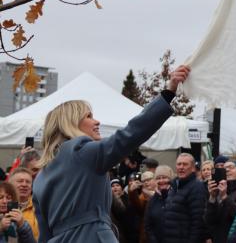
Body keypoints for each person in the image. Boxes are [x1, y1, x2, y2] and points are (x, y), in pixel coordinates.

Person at [31, 65, 190, 243]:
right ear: (71, 123)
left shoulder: (40, 177)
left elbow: (44, 235)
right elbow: (130, 134)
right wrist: (168, 93)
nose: (97, 121)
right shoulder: (81, 152)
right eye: (89, 116)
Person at [162, 153, 206, 243]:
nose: (181, 167)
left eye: (185, 164)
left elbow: (197, 222)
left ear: (193, 168)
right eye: (179, 164)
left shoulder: (197, 187)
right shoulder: (174, 186)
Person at [205, 160, 236, 243]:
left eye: (231, 167)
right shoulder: (218, 190)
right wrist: (212, 198)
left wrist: (225, 197)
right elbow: (209, 220)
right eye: (225, 168)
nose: (227, 170)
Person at [145, 165, 174, 243]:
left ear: (170, 179)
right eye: (158, 178)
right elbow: (148, 226)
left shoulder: (178, 196)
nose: (161, 181)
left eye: (164, 177)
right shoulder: (152, 201)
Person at [9, 168, 39, 240]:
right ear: (10, 184)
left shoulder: (39, 207)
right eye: (20, 181)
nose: (24, 184)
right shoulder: (2, 205)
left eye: (28, 182)